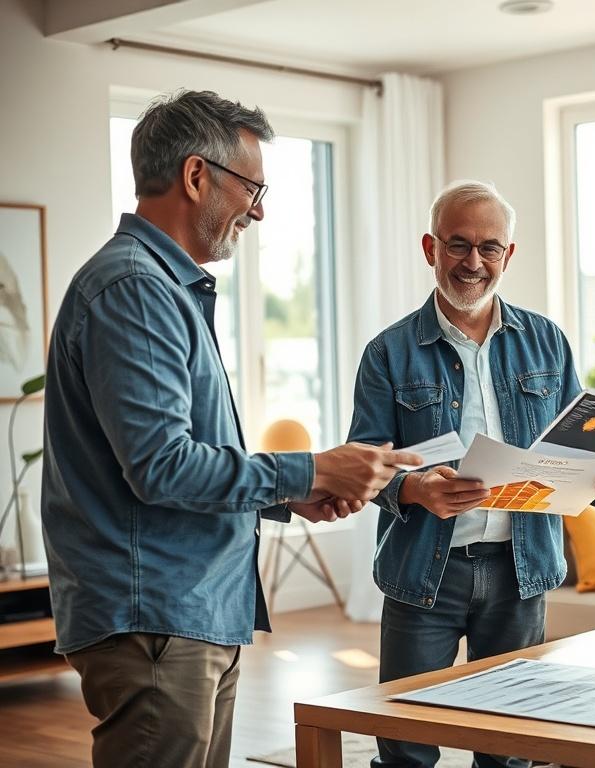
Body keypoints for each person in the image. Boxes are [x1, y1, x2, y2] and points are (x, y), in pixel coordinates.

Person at [41, 90, 420, 768]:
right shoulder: (134, 290)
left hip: (188, 611)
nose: (260, 209)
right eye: (253, 187)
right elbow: (162, 466)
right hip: (156, 615)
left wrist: (288, 497)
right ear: (195, 176)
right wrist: (312, 469)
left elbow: (180, 460)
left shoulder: (161, 288)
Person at [348, 180, 595, 768]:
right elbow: (365, 467)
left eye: (489, 248)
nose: (473, 263)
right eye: (458, 246)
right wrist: (415, 488)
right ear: (430, 248)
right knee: (405, 742)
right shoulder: (389, 353)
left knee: (512, 746)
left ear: (508, 255)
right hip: (422, 575)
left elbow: (572, 452)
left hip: (521, 569)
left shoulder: (547, 343)